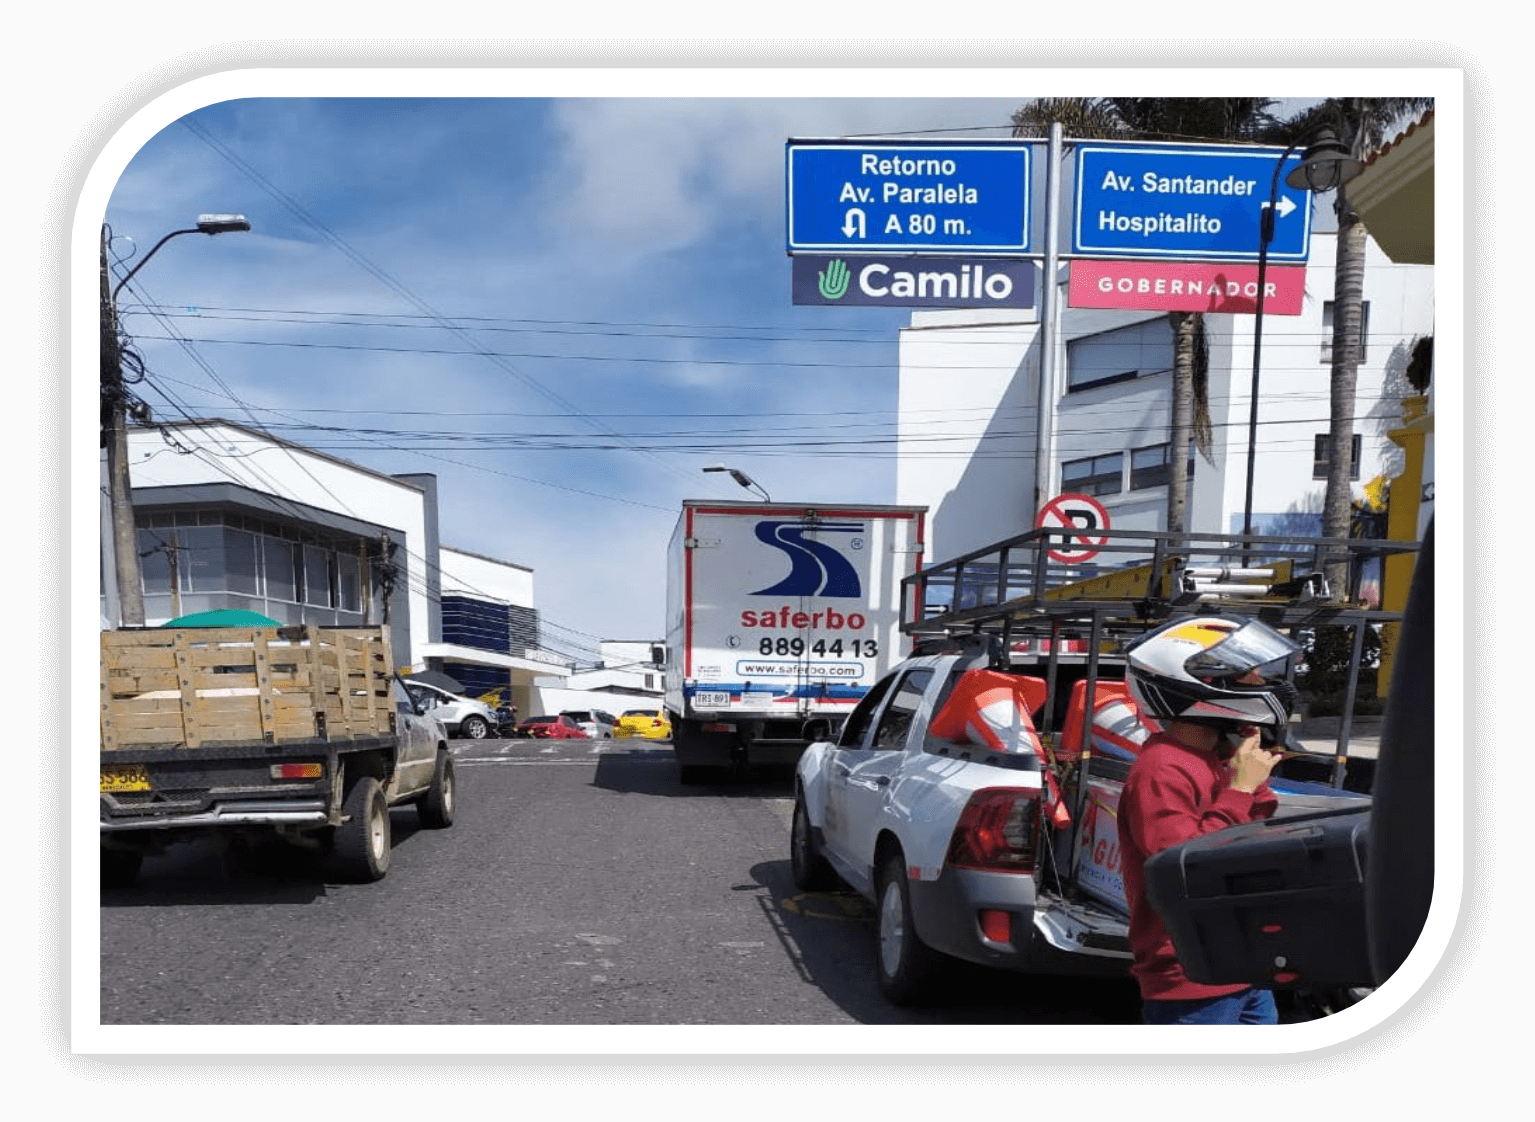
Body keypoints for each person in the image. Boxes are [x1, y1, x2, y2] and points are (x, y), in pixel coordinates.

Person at [1118, 615, 1301, 1025]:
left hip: (1245, 960)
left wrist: (1253, 780)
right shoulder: (1162, 767)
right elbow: (1183, 864)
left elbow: (1247, 839)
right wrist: (1239, 789)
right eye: (1244, 675)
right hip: (1192, 972)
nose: (1259, 682)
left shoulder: (1215, 758)